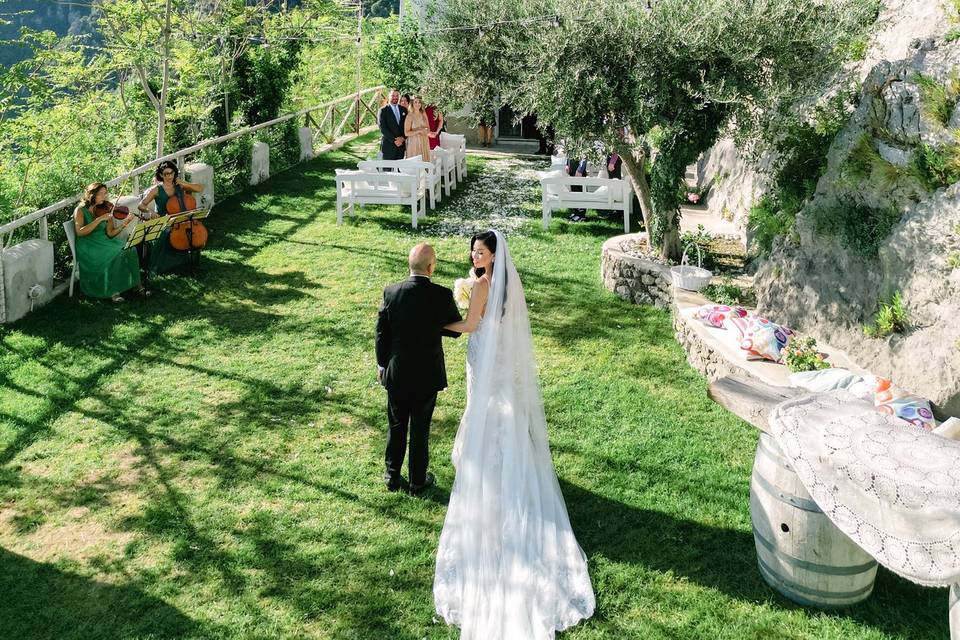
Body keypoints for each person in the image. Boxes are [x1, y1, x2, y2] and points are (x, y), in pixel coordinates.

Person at [434, 230, 595, 638]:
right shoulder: (506, 286)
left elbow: (471, 325)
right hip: (500, 364)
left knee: (482, 410)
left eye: (481, 251)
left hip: (483, 361)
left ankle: (485, 462)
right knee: (498, 411)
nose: (475, 255)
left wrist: (440, 323)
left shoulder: (483, 285)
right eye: (473, 250)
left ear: (493, 256)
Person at [375, 243, 463, 494]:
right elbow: (455, 330)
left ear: (409, 265)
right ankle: (417, 480)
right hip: (426, 374)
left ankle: (392, 476)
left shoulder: (391, 292)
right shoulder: (441, 295)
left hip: (398, 372)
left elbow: (382, 333)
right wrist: (433, 325)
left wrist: (382, 365)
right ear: (431, 267)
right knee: (421, 428)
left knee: (396, 424)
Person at [72, 182, 147, 303]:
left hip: (104, 241)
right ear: (92, 195)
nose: (104, 196)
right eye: (101, 194)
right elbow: (80, 232)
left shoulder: (105, 208)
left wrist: (124, 224)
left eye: (105, 193)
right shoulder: (80, 210)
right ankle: (113, 291)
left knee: (130, 248)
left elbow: (111, 233)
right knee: (116, 253)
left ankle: (136, 284)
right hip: (88, 245)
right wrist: (99, 219)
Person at [138, 160, 205, 276]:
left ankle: (187, 259)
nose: (169, 176)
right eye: (166, 174)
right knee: (166, 232)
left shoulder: (179, 185)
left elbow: (199, 188)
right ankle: (155, 266)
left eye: (171, 173)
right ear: (160, 175)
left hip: (181, 219)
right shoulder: (157, 190)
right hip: (164, 220)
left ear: (175, 172)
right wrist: (151, 211)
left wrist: (184, 183)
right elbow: (141, 205)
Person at [378, 89, 407, 161]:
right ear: (389, 96)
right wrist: (394, 140)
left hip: (401, 146)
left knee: (400, 169)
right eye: (393, 95)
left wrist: (403, 138)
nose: (395, 97)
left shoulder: (404, 110)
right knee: (387, 170)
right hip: (389, 145)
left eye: (397, 96)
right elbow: (382, 128)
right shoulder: (383, 110)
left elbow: (407, 126)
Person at [404, 96, 431, 162]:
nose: (417, 104)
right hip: (414, 143)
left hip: (424, 141)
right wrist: (419, 130)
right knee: (416, 163)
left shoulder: (423, 114)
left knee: (424, 162)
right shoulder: (409, 116)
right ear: (412, 103)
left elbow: (428, 128)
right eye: (415, 102)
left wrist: (426, 130)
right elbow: (406, 133)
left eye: (419, 102)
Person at [566, 157, 588, 222]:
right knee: (574, 191)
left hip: (578, 171)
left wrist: (580, 169)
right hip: (572, 169)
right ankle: (576, 211)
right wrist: (567, 164)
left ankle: (581, 214)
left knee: (580, 191)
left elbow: (584, 157)